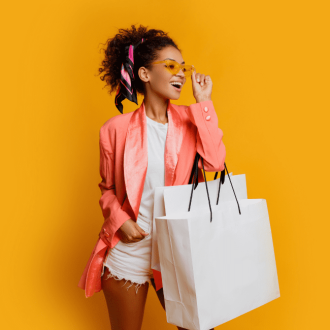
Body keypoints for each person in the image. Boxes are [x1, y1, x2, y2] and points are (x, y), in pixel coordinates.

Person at [78, 24, 226, 330]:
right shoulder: (114, 129)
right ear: (144, 74)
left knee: (199, 326)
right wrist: (120, 221)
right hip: (129, 250)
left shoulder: (191, 120)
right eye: (171, 66)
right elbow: (107, 190)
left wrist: (203, 104)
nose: (181, 74)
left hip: (175, 249)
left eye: (183, 67)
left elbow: (215, 162)